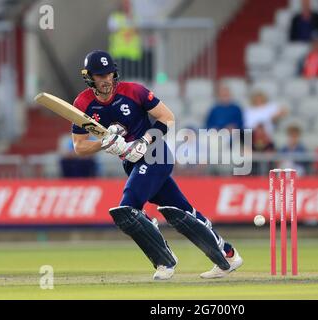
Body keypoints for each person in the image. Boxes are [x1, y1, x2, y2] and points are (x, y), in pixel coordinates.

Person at [72, 50, 242, 280]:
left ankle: (164, 261)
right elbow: (79, 147)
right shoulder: (82, 103)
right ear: (89, 77)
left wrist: (145, 140)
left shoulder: (133, 91)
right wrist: (104, 143)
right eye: (100, 76)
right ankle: (228, 255)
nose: (106, 80)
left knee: (128, 209)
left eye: (109, 74)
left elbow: (167, 117)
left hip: (155, 154)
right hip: (131, 162)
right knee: (183, 211)